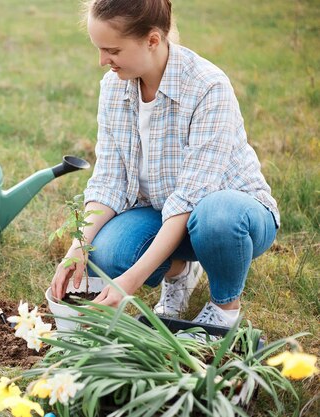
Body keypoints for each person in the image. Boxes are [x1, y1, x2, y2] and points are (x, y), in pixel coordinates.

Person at [51, 0, 279, 328]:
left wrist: (130, 282)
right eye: (99, 49)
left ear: (153, 40)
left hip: (232, 218)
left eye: (112, 50)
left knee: (216, 216)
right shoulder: (114, 88)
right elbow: (109, 180)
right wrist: (77, 247)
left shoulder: (208, 87)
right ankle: (181, 273)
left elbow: (191, 198)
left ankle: (224, 310)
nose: (103, 61)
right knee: (107, 252)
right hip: (162, 211)